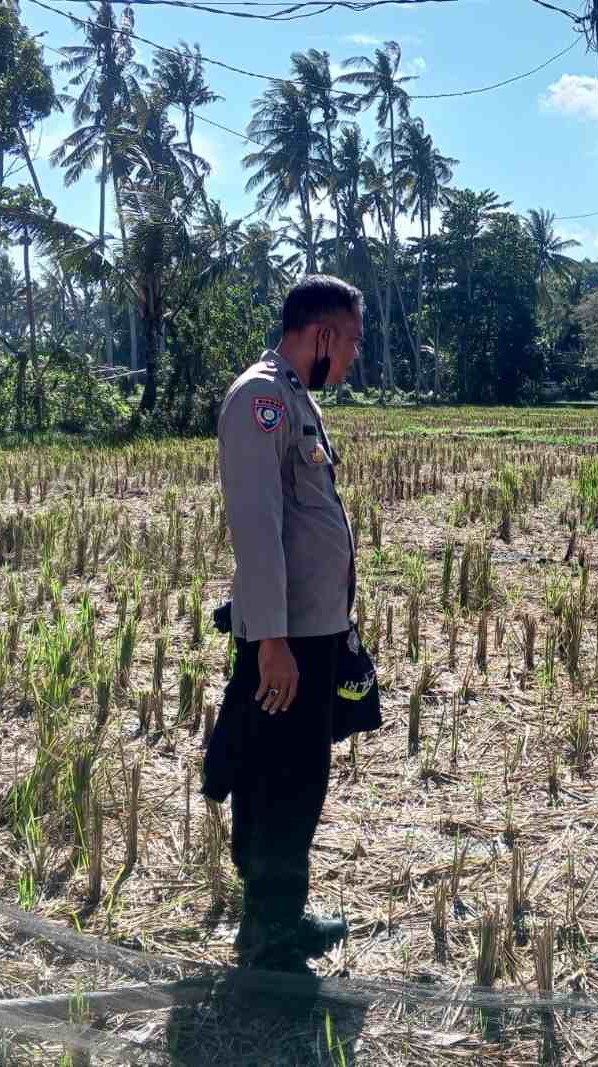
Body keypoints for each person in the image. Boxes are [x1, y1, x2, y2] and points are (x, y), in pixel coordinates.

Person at [211, 275, 365, 972]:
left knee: (301, 773)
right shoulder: (261, 399)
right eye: (353, 342)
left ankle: (283, 914)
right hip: (287, 639)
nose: (355, 358)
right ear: (323, 335)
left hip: (312, 630)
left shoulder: (296, 398)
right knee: (276, 776)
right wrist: (271, 640)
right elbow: (257, 524)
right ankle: (268, 929)